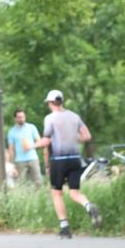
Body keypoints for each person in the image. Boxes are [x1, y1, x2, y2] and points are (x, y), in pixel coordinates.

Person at [33, 90, 102, 238]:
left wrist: (31, 146)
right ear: (61, 101)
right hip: (75, 159)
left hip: (59, 160)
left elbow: (46, 141)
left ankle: (65, 228)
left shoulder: (50, 118)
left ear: (51, 103)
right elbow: (87, 136)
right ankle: (88, 205)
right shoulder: (74, 116)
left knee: (57, 193)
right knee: (74, 192)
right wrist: (71, 137)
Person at [7, 109, 43, 186]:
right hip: (19, 161)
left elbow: (40, 142)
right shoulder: (11, 132)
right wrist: (12, 165)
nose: (21, 119)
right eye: (19, 117)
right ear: (15, 118)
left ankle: (38, 197)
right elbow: (11, 150)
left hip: (33, 158)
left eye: (23, 117)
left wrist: (31, 146)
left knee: (38, 181)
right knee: (22, 183)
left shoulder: (31, 127)